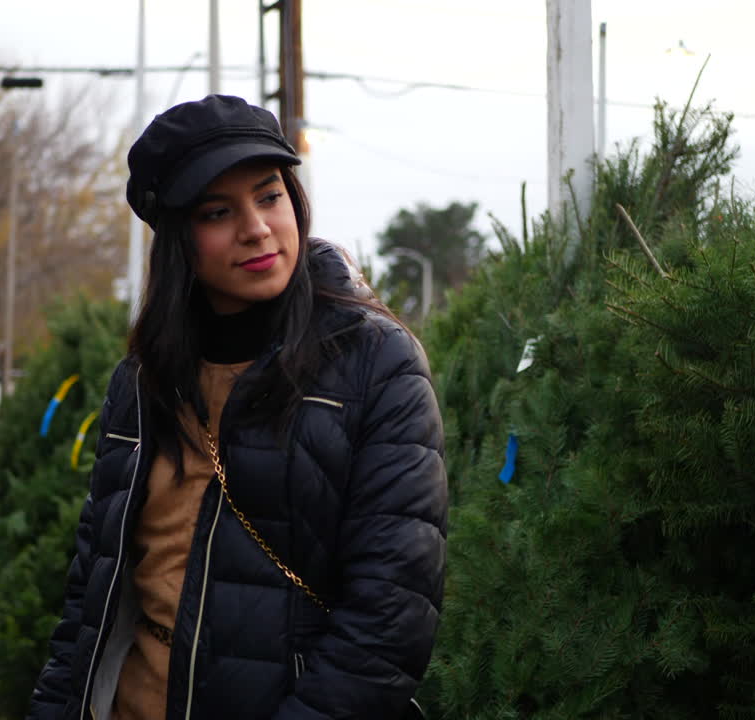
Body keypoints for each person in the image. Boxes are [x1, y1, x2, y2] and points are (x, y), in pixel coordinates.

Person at [27, 94, 447, 720]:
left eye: (269, 195)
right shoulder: (144, 381)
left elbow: (390, 619)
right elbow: (95, 588)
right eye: (218, 212)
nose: (256, 228)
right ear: (177, 240)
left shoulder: (375, 364)